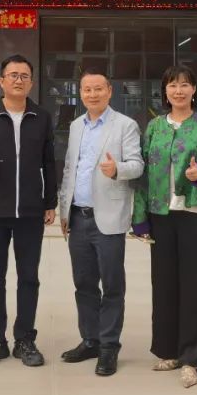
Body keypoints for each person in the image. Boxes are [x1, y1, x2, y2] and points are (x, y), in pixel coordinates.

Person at [131, 65, 197, 389]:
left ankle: (192, 358)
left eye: (185, 85)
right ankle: (168, 350)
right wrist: (139, 218)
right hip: (161, 213)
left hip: (193, 212)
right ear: (165, 91)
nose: (179, 91)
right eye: (172, 85)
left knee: (195, 286)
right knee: (164, 284)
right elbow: (142, 174)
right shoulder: (155, 127)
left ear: (194, 90)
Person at [0, 54, 58, 368]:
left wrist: (50, 202)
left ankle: (25, 340)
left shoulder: (41, 116)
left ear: (31, 82)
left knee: (29, 277)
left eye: (24, 75)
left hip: (31, 211)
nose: (18, 80)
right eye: (13, 75)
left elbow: (48, 161)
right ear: (2, 81)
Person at [58, 69, 144, 376]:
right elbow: (70, 169)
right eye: (87, 89)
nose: (92, 94)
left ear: (109, 91)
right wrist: (64, 209)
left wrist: (116, 169)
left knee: (112, 285)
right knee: (83, 284)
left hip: (108, 217)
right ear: (80, 93)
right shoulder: (75, 126)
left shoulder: (125, 125)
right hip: (78, 217)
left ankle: (109, 347)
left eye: (98, 89)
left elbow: (137, 165)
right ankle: (90, 340)